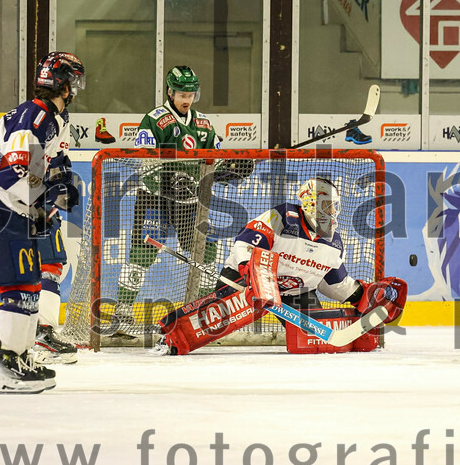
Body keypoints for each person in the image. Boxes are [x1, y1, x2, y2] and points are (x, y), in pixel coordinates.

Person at [154, 177, 406, 355]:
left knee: (313, 341)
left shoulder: (334, 243)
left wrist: (361, 295)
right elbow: (246, 244)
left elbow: (334, 283)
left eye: (334, 206)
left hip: (295, 294)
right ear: (310, 203)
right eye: (327, 204)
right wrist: (250, 272)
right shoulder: (283, 217)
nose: (332, 211)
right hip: (250, 282)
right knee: (212, 322)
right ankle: (169, 336)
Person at [0, 51, 86, 393]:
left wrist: (62, 183)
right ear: (65, 85)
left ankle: (19, 357)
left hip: (15, 209)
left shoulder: (52, 118)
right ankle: (8, 368)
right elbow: (13, 175)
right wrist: (49, 198)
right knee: (19, 288)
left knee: (32, 283)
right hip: (1, 209)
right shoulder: (35, 117)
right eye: (74, 81)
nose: (77, 89)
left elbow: (54, 161)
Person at [114, 66, 225, 330]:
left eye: (191, 94)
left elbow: (217, 157)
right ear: (170, 92)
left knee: (206, 250)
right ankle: (122, 313)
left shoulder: (203, 124)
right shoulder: (155, 119)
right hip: (155, 200)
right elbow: (144, 161)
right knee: (142, 252)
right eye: (181, 94)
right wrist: (167, 183)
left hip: (189, 205)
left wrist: (229, 168)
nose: (186, 99)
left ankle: (201, 309)